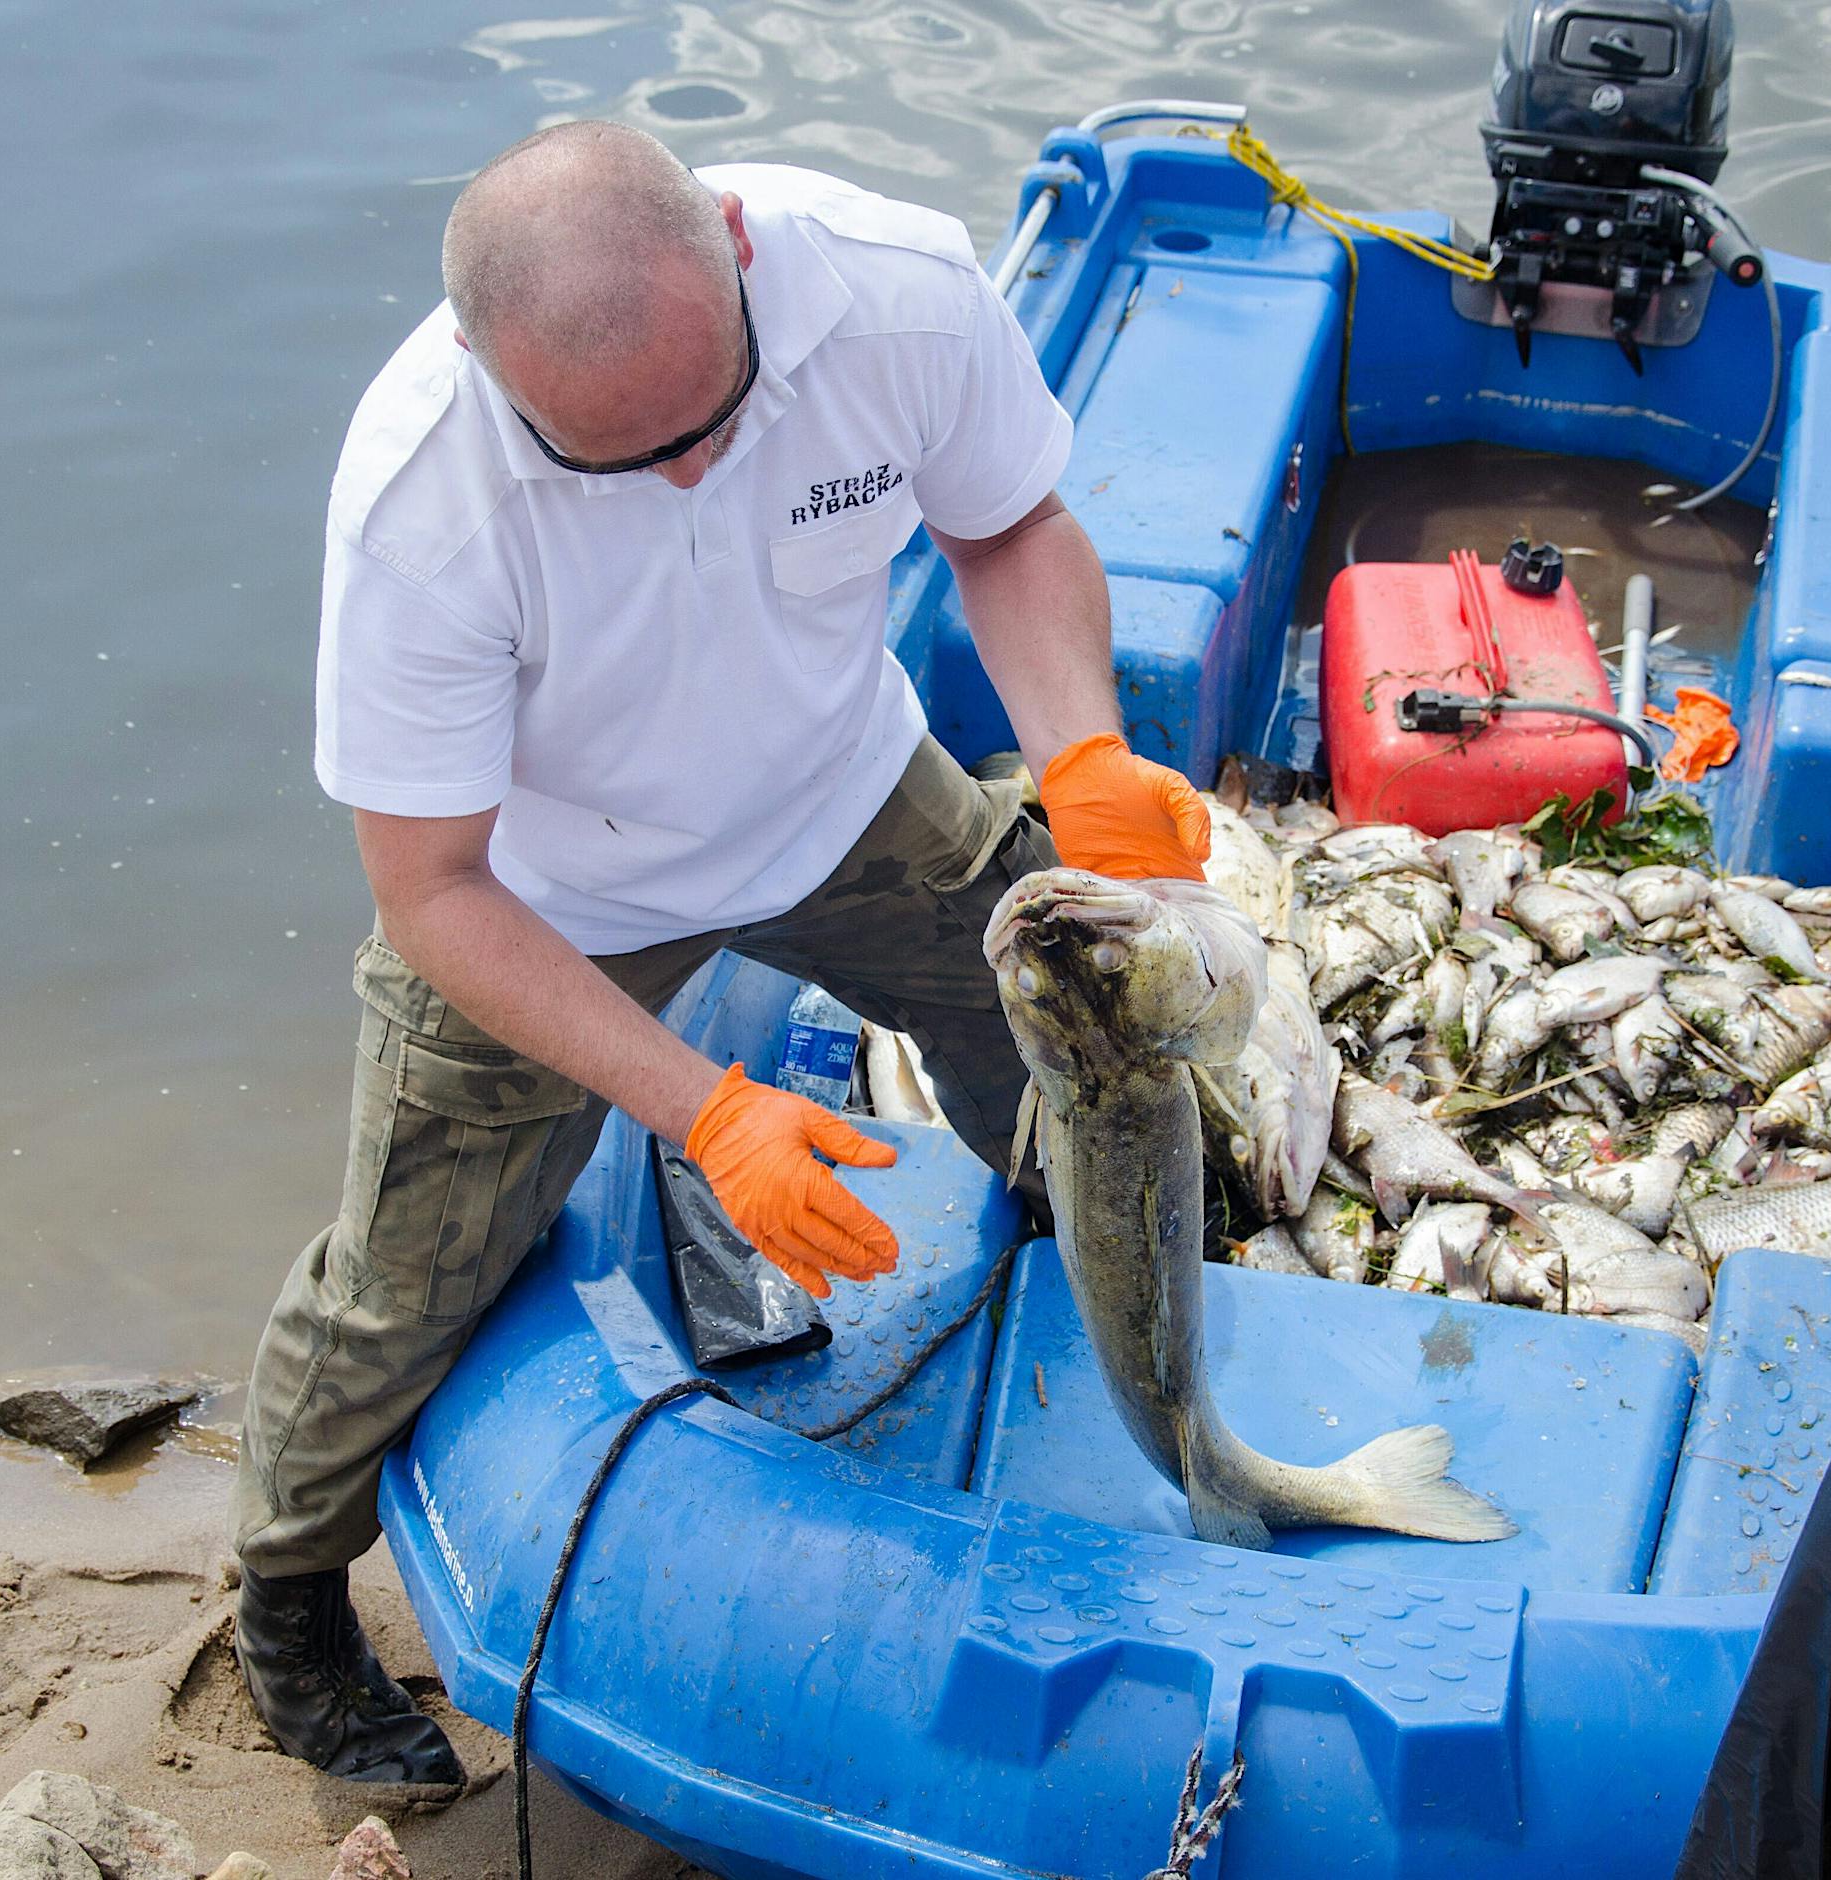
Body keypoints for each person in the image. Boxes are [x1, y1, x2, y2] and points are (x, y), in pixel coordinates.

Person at [230, 119, 1214, 1783]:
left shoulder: (895, 296)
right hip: (553, 895)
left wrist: (1082, 753)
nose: (687, 468)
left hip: (842, 793)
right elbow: (437, 896)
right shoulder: (420, 504)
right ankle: (285, 1595)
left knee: (1067, 1038)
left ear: (744, 250)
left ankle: (1088, 1259)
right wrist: (707, 1109)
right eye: (619, 458)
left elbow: (1008, 527)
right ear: (487, 367)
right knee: (399, 1278)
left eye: (718, 420)